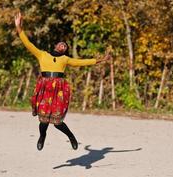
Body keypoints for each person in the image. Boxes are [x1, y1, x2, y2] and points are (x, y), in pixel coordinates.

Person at [14, 12, 110, 151]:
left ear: (65, 51)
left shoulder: (65, 59)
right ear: (55, 46)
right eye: (61, 44)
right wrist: (19, 27)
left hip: (58, 89)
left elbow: (81, 62)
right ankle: (42, 136)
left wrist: (100, 60)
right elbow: (27, 43)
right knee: (43, 120)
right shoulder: (42, 54)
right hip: (45, 87)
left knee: (57, 122)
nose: (63, 45)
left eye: (65, 46)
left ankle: (71, 136)